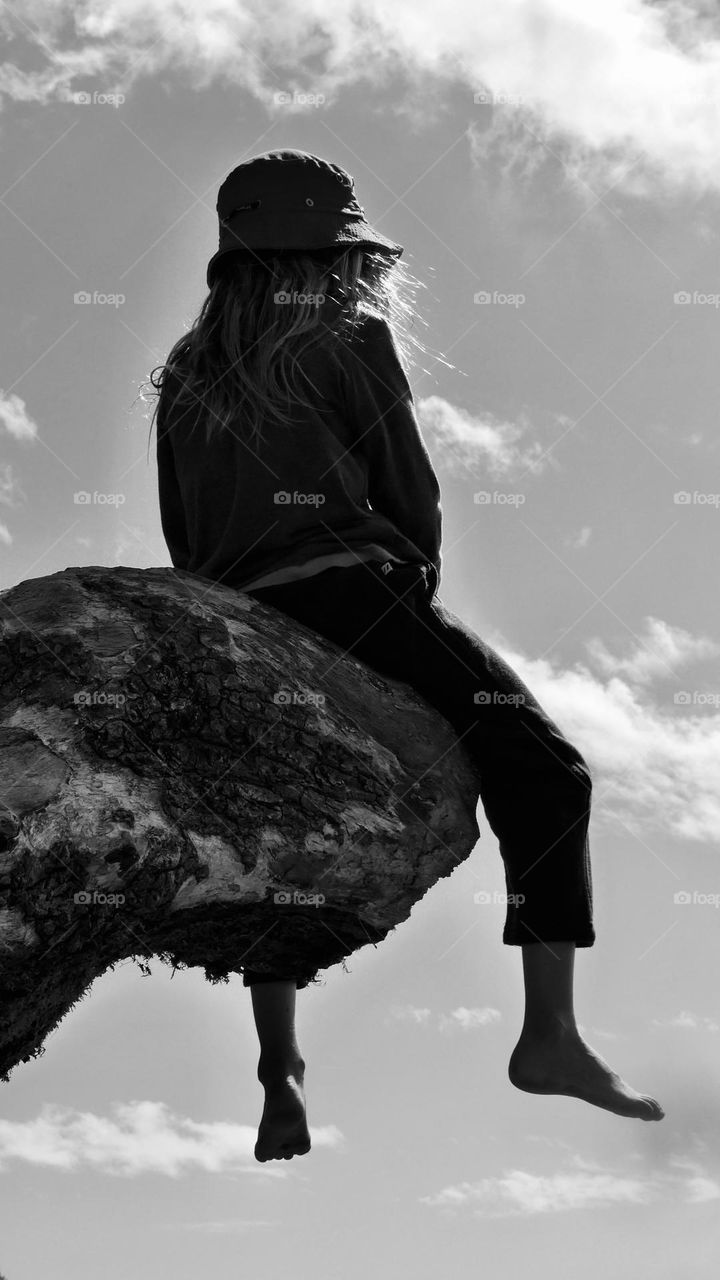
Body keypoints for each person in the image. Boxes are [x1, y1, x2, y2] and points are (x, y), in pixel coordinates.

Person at [150, 149, 664, 1163]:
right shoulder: (345, 334)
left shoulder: (184, 372)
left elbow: (183, 530)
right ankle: (550, 1035)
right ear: (333, 254)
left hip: (231, 612)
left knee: (276, 809)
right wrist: (412, 584)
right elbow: (410, 491)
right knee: (546, 767)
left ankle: (280, 1062)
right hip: (348, 590)